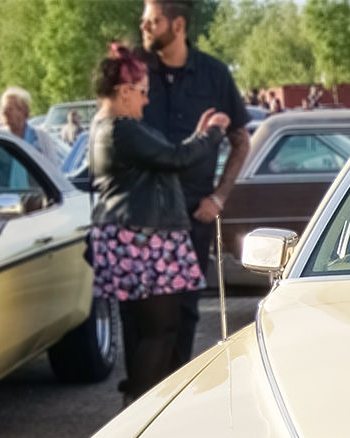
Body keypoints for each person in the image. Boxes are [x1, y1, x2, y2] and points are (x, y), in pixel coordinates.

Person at [88, 43, 228, 405]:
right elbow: (175, 158)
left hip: (134, 233)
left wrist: (197, 136)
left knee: (149, 328)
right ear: (124, 91)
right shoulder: (121, 129)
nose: (146, 101)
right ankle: (141, 408)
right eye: (143, 92)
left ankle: (139, 404)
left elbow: (165, 156)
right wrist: (212, 133)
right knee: (160, 329)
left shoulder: (110, 128)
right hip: (143, 236)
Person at [138, 0, 251, 368]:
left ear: (178, 25)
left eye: (154, 21)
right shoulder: (135, 74)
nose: (146, 27)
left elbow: (241, 141)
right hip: (145, 214)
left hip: (193, 215)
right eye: (145, 21)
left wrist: (219, 197)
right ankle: (140, 401)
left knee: (183, 312)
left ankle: (174, 396)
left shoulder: (213, 75)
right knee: (144, 313)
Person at [0, 87, 59, 165]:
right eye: (3, 109)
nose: (4, 113)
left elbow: (53, 169)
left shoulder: (41, 138)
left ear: (24, 112)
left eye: (9, 109)